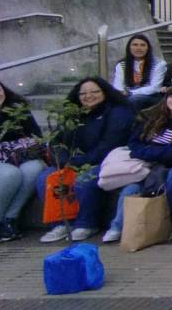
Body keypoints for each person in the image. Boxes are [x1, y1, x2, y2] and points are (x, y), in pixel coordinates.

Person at [36, 78, 135, 243]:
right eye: (83, 93)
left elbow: (108, 146)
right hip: (73, 161)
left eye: (95, 92)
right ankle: (60, 224)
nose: (89, 96)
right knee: (45, 178)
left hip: (106, 161)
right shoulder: (72, 114)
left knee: (84, 180)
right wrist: (62, 160)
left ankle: (86, 224)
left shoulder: (118, 112)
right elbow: (56, 141)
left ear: (105, 92)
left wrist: (77, 163)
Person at [108, 85, 172, 243]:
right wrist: (157, 152)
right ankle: (116, 227)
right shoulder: (149, 116)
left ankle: (158, 221)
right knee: (131, 189)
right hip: (141, 163)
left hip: (166, 165)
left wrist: (154, 152)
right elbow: (134, 145)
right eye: (171, 96)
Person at [0, 77, 44, 245]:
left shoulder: (18, 111)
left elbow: (36, 139)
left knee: (34, 168)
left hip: (17, 158)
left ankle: (9, 220)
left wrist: (0, 147)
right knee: (10, 174)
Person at [112, 34, 167, 111]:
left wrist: (130, 93)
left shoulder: (159, 64)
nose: (138, 48)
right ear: (129, 47)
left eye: (142, 45)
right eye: (135, 45)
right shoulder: (121, 64)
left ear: (148, 48)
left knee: (134, 99)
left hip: (152, 96)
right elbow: (118, 86)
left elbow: (155, 88)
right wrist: (122, 93)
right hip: (127, 95)